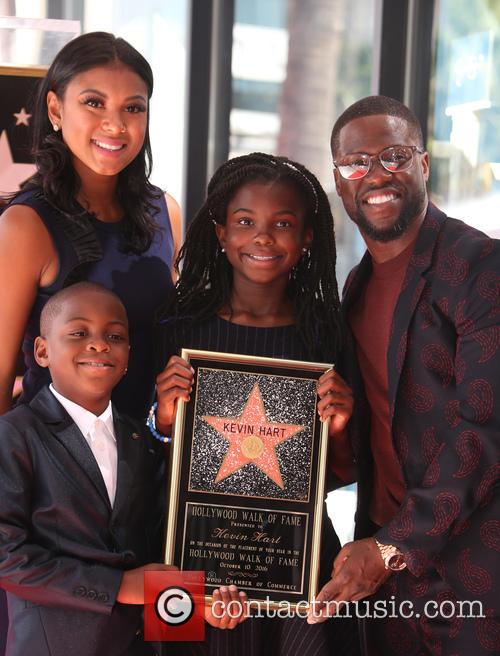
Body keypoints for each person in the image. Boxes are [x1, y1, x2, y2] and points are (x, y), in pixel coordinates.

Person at [309, 96, 500, 655]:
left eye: (393, 156)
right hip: (389, 586)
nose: (375, 175)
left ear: (423, 164)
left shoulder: (480, 267)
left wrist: (391, 546)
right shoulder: (355, 289)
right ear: (340, 182)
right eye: (356, 163)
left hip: (476, 578)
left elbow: (485, 430)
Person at [154, 152, 359, 656]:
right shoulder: (180, 329)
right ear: (220, 232)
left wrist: (336, 428)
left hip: (295, 554)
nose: (263, 238)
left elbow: (343, 474)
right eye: (245, 222)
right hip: (185, 545)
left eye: (282, 224)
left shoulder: (327, 336)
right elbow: (148, 460)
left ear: (308, 236)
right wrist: (163, 417)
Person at [0, 282, 246, 656]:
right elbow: (7, 556)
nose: (99, 344)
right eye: (79, 332)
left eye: (114, 335)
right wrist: (119, 586)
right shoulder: (14, 434)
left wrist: (202, 602)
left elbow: (161, 548)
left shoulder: (140, 439)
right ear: (42, 350)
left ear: (128, 356)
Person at [0, 31, 182, 421]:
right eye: (94, 103)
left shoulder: (166, 211)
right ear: (55, 109)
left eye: (133, 108)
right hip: (50, 466)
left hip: (145, 464)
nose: (115, 125)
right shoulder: (26, 225)